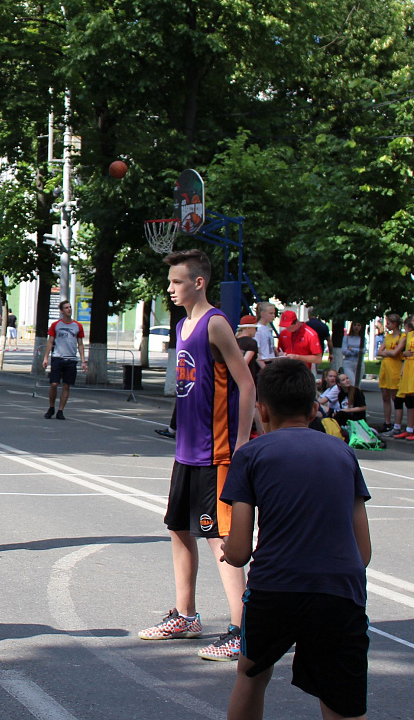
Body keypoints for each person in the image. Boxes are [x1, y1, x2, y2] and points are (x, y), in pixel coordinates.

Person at [219, 358, 372, 720]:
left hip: (276, 588)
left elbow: (239, 552)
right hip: (339, 591)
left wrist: (228, 548)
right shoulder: (344, 454)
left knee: (252, 673)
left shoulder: (251, 455)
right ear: (314, 408)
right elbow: (362, 552)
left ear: (262, 410)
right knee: (341, 697)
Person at [138, 249, 255, 663]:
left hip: (215, 452)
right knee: (178, 529)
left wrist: (241, 443)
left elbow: (246, 383)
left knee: (221, 542)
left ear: (199, 282)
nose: (170, 288)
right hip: (186, 451)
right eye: (170, 282)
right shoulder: (183, 324)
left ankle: (244, 631)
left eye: (177, 282)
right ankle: (186, 616)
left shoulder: (215, 323)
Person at [42, 300, 86, 420]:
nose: (69, 309)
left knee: (67, 386)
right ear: (61, 311)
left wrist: (83, 361)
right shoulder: (56, 325)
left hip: (71, 359)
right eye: (66, 308)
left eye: (70, 307)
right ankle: (51, 407)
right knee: (54, 384)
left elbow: (80, 344)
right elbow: (50, 341)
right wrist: (46, 358)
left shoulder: (77, 326)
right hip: (58, 357)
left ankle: (60, 410)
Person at [376, 313, 404, 435]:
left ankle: (397, 423)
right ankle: (387, 422)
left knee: (395, 397)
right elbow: (379, 352)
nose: (386, 325)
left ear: (395, 324)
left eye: (388, 323)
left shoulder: (402, 337)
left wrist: (387, 352)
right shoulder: (388, 336)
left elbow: (395, 353)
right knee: (385, 396)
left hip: (395, 368)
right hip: (385, 368)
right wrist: (389, 352)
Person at [393, 316, 414, 440]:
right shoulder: (409, 335)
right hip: (409, 366)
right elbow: (405, 352)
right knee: (409, 398)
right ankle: (409, 429)